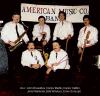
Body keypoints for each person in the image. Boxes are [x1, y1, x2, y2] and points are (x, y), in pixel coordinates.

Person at [1, 13, 29, 77]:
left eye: (18, 17)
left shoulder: (20, 26)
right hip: (11, 44)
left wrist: (27, 42)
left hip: (20, 44)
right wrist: (9, 42)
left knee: (19, 59)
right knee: (11, 60)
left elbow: (24, 35)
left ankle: (18, 74)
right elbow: (3, 35)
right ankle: (10, 75)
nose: (17, 18)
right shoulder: (7, 25)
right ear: (12, 17)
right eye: (16, 17)